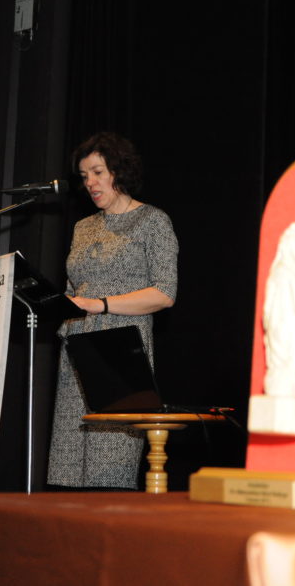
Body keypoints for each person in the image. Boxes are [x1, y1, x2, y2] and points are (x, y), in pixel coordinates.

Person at [46, 132, 179, 490]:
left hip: (120, 354)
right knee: (69, 474)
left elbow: (165, 293)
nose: (89, 183)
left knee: (110, 471)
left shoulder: (152, 221)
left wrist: (101, 304)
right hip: (77, 351)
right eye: (84, 176)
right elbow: (74, 290)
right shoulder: (82, 228)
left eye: (97, 172)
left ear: (119, 171)